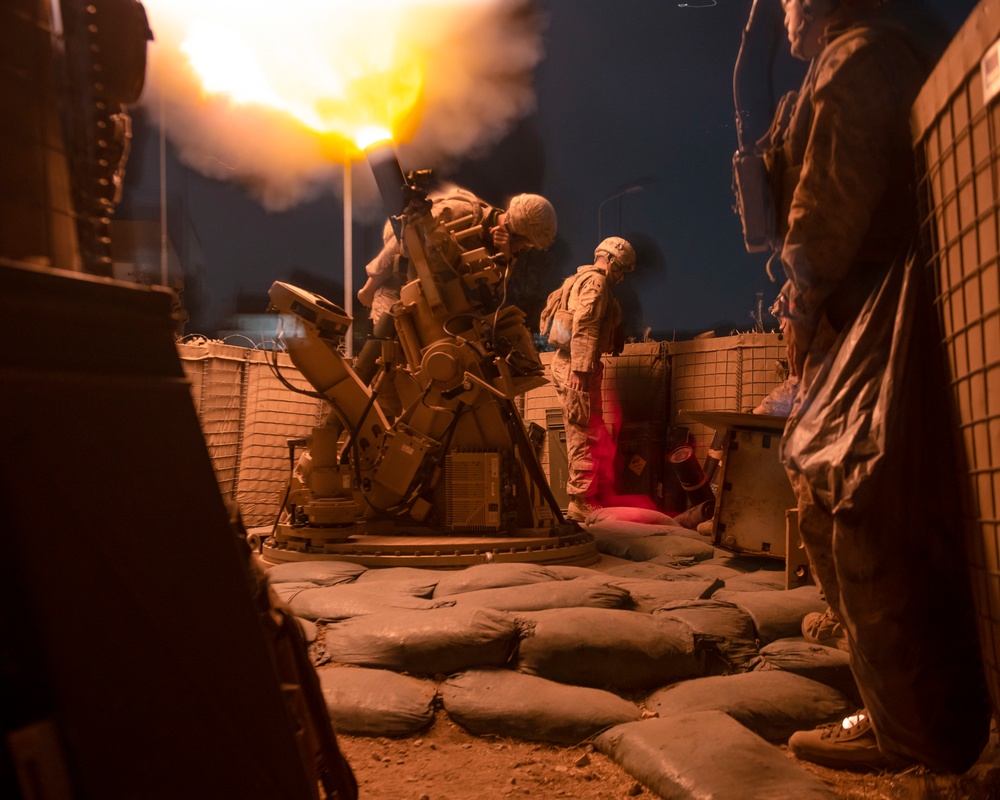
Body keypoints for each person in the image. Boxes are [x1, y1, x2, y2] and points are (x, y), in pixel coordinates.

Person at [765, 0, 989, 774]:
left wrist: (797, 303)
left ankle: (903, 723)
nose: (785, 12)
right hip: (897, 313)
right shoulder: (893, 48)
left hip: (874, 319)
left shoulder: (853, 59)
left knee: (846, 503)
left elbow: (826, 211)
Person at [357, 188, 558, 325]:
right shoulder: (464, 212)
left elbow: (492, 297)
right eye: (527, 241)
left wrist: (503, 259)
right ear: (514, 229)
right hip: (396, 285)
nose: (526, 248)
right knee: (391, 350)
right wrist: (370, 286)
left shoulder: (502, 251)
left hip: (438, 300)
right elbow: (405, 236)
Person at [540, 237, 634, 522]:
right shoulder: (596, 283)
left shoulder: (577, 279)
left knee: (589, 430)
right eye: (622, 269)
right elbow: (585, 325)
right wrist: (581, 370)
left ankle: (587, 495)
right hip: (575, 367)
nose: (621, 277)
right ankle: (580, 500)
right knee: (584, 433)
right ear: (614, 261)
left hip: (570, 363)